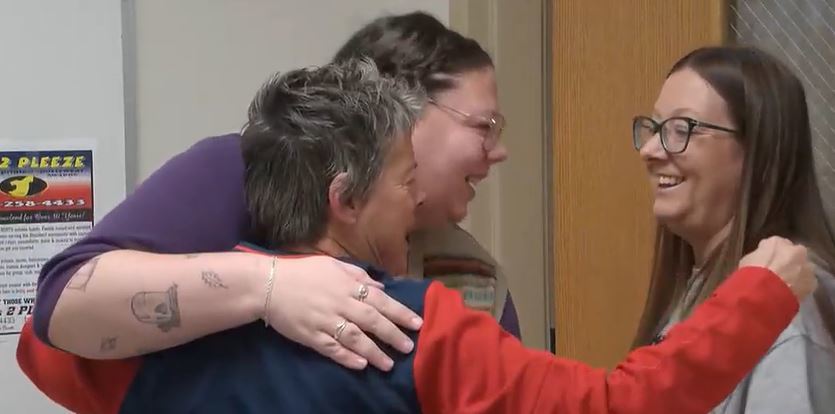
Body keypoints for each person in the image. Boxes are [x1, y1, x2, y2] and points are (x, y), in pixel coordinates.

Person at [19, 57, 817, 414]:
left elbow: (48, 346)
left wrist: (240, 280)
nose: (419, 208)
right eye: (406, 185)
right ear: (344, 200)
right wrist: (760, 292)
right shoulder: (416, 330)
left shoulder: (153, 350)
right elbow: (619, 405)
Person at [25, 11, 517, 375]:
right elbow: (61, 305)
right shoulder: (242, 170)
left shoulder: (474, 275)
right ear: (395, 107)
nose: (498, 152)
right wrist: (271, 285)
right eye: (484, 126)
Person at [631, 45, 835, 413]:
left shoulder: (787, 308)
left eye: (682, 128)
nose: (650, 149)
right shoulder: (701, 287)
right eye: (656, 127)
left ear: (757, 150)